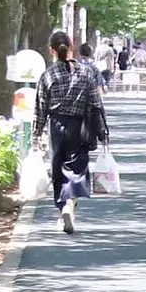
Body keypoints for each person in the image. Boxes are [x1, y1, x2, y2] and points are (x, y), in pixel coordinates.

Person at [35, 29, 110, 235]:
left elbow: (40, 108)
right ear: (71, 48)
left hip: (56, 126)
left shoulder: (47, 75)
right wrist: (103, 131)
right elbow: (96, 103)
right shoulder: (85, 73)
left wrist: (36, 135)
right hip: (80, 126)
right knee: (76, 168)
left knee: (58, 167)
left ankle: (62, 208)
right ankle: (70, 204)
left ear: (52, 50)